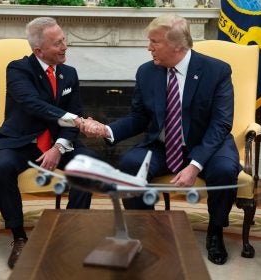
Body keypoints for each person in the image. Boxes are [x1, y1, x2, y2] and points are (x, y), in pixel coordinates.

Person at [80, 14, 242, 265]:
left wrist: (194, 165)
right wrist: (107, 130)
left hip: (207, 144)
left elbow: (220, 124)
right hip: (162, 145)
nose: (148, 47)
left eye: (154, 41)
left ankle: (215, 231)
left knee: (224, 169)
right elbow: (138, 118)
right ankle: (146, 228)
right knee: (130, 164)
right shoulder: (147, 72)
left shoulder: (216, 71)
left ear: (176, 45)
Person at [0, 17, 98, 269]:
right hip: (20, 140)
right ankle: (18, 237)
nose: (65, 46)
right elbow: (32, 104)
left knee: (90, 166)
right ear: (39, 50)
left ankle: (70, 231)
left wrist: (58, 148)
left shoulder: (69, 74)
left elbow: (75, 109)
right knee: (2, 167)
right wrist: (76, 120)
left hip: (58, 139)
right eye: (57, 43)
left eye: (64, 40)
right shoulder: (17, 69)